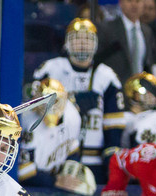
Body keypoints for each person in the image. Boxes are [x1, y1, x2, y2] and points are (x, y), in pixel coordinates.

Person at [32, 18, 125, 186]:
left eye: (88, 39)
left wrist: (111, 165)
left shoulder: (107, 76)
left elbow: (114, 128)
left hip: (94, 160)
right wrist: (72, 103)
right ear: (67, 43)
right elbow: (34, 110)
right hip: (56, 159)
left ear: (96, 44)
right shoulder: (50, 69)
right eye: (76, 39)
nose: (82, 44)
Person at [16, 78, 90, 195]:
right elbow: (22, 171)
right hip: (31, 189)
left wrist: (69, 174)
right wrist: (55, 180)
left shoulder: (73, 116)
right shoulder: (27, 121)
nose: (50, 106)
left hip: (54, 180)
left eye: (55, 101)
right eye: (45, 101)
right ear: (35, 99)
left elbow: (72, 148)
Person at [95, 0, 156, 83]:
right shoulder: (107, 29)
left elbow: (147, 64)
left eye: (138, 1)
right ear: (121, 3)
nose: (134, 5)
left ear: (143, 4)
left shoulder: (147, 32)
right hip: (115, 87)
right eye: (129, 1)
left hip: (139, 90)